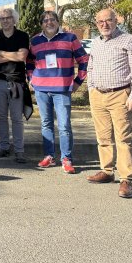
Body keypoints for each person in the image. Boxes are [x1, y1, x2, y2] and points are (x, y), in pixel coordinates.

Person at [86, 8, 132, 198]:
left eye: (108, 20)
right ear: (96, 24)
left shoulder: (128, 40)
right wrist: (91, 89)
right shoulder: (95, 43)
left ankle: (126, 179)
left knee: (123, 138)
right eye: (100, 21)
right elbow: (91, 66)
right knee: (103, 137)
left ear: (116, 20)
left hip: (120, 95)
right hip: (98, 95)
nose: (105, 24)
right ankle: (107, 171)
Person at [26, 11, 89, 174]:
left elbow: (84, 60)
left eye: (52, 19)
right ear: (41, 23)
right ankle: (49, 155)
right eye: (45, 20)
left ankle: (66, 158)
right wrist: (31, 79)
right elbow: (30, 61)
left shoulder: (70, 38)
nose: (49, 22)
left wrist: (78, 82)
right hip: (41, 89)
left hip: (62, 90)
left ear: (58, 21)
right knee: (46, 124)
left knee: (64, 126)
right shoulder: (35, 40)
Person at [0, 8, 31, 164]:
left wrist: (2, 52)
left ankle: (19, 151)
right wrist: (11, 55)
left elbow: (22, 56)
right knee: (1, 117)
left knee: (17, 118)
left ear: (14, 19)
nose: (5, 20)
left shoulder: (22, 36)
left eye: (8, 18)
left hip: (16, 81)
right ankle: (4, 147)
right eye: (2, 18)